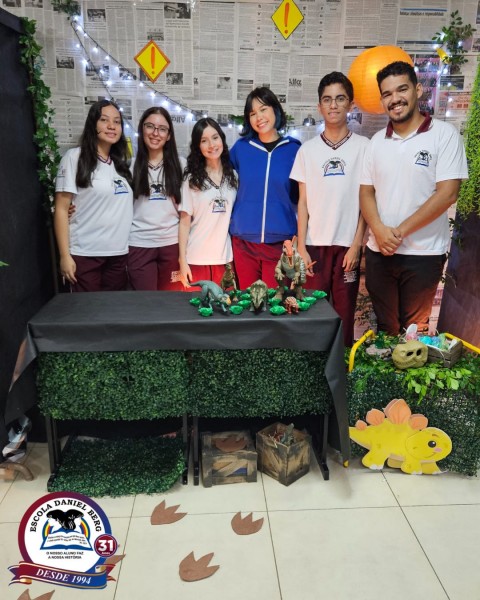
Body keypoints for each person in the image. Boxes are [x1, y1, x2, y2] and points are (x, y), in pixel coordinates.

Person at [360, 61, 468, 335]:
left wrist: (397, 233)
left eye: (402, 89)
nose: (395, 99)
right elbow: (366, 192)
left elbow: (447, 194)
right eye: (387, 94)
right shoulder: (376, 142)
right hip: (379, 252)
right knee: (385, 329)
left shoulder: (444, 135)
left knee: (413, 332)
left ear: (418, 90)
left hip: (423, 254)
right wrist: (379, 231)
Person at [290, 72, 368, 346]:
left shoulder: (364, 148)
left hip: (347, 246)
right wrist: (301, 247)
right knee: (312, 310)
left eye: (340, 98)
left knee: (344, 312)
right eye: (327, 99)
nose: (333, 105)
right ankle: (313, 363)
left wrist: (357, 244)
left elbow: (367, 201)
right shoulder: (307, 150)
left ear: (351, 104)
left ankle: (342, 363)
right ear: (319, 106)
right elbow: (302, 202)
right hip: (314, 245)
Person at [54, 99, 133, 292]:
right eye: (104, 120)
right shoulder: (74, 157)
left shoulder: (121, 165)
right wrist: (64, 256)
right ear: (93, 124)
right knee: (86, 310)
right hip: (85, 254)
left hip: (118, 255)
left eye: (117, 122)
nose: (111, 126)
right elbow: (61, 209)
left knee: (113, 309)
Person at [229, 87, 301, 289]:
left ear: (275, 110)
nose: (259, 117)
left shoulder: (294, 149)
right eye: (252, 113)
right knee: (247, 301)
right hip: (243, 242)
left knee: (275, 302)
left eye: (263, 109)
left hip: (281, 243)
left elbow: (301, 198)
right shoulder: (241, 148)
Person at [128, 107, 185, 290]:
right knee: (146, 302)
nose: (155, 133)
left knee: (170, 301)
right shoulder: (129, 166)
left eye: (162, 129)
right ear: (142, 129)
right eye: (150, 126)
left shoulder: (181, 165)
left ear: (169, 135)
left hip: (172, 243)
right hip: (139, 243)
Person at [179, 117, 237, 284]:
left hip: (225, 259)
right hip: (196, 259)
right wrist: (182, 261)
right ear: (198, 146)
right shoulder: (191, 180)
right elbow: (184, 222)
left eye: (215, 137)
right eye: (204, 141)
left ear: (222, 139)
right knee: (197, 301)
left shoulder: (233, 177)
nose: (211, 145)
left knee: (226, 301)